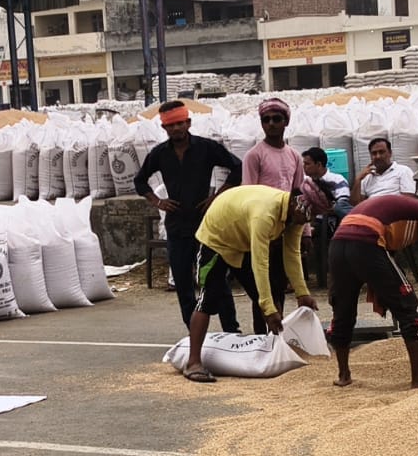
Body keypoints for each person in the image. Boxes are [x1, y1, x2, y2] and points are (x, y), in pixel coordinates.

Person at [181, 182, 330, 383]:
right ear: (298, 205)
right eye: (308, 216)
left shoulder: (295, 217)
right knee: (208, 299)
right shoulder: (265, 214)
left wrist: (302, 293)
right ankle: (193, 362)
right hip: (217, 239)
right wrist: (268, 309)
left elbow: (292, 254)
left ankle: (272, 353)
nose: (308, 221)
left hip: (242, 241)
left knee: (271, 292)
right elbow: (260, 263)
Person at [328, 192, 418, 390]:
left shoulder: (407, 209)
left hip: (338, 242)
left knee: (342, 311)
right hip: (366, 241)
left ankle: (344, 375)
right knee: (411, 313)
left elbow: (385, 261)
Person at [133, 100, 244, 332]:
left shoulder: (206, 148)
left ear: (188, 123)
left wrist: (217, 198)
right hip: (177, 227)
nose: (176, 129)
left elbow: (237, 168)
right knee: (184, 283)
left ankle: (231, 331)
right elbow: (139, 180)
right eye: (171, 125)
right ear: (164, 128)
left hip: (206, 225)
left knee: (215, 278)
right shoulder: (160, 154)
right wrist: (158, 202)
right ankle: (194, 333)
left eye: (180, 123)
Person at [242, 98, 306, 326]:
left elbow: (298, 194)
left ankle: (276, 336)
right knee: (262, 287)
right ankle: (262, 339)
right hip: (260, 228)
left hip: (285, 228)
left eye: (276, 119)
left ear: (285, 122)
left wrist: (304, 231)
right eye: (266, 120)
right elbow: (248, 196)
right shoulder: (254, 155)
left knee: (279, 285)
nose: (271, 124)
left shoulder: (294, 156)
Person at [350, 137, 415, 202]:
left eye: (381, 152)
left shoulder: (403, 171)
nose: (378, 156)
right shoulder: (367, 177)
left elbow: (408, 200)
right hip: (371, 210)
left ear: (390, 153)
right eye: (374, 153)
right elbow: (355, 204)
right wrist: (358, 180)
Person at [302, 147, 351, 221]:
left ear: (318, 165)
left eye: (307, 164)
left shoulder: (337, 180)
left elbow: (342, 205)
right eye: (304, 163)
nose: (304, 166)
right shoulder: (304, 182)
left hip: (331, 221)